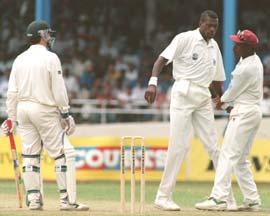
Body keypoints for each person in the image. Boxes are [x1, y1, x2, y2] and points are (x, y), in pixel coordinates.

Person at [144, 10, 236, 211]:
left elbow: (216, 80)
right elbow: (161, 60)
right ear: (201, 23)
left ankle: (225, 197)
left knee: (214, 146)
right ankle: (163, 196)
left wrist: (221, 101)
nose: (212, 29)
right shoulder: (185, 38)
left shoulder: (214, 46)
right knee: (179, 146)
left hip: (203, 96)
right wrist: (153, 83)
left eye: (215, 27)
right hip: (183, 92)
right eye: (209, 25)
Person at [1, 20, 89, 211]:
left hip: (23, 110)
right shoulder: (51, 58)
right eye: (47, 34)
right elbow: (58, 89)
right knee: (62, 154)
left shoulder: (19, 59)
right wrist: (65, 112)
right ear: (41, 35)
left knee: (30, 155)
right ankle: (66, 200)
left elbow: (12, 92)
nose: (49, 37)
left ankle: (33, 199)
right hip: (44, 110)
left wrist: (11, 117)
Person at [195, 30, 263, 211]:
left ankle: (219, 199)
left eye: (238, 44)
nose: (234, 47)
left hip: (244, 112)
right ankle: (252, 199)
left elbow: (232, 92)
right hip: (251, 111)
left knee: (227, 154)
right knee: (240, 159)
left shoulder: (247, 68)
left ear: (248, 47)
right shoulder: (252, 59)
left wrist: (221, 101)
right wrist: (223, 101)